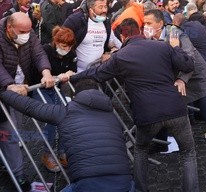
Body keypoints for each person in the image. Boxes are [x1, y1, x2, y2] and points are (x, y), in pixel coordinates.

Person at [69, 18, 198, 192]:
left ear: (122, 36)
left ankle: (140, 189)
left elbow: (96, 73)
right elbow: (189, 64)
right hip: (175, 108)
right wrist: (175, 46)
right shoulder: (162, 46)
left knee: (141, 150)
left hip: (147, 113)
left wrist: (71, 77)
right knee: (188, 153)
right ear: (141, 30)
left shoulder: (120, 56)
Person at [144, 9, 206, 175]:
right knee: (164, 109)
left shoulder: (176, 34)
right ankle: (161, 142)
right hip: (179, 82)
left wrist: (182, 79)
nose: (145, 26)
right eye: (144, 23)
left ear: (160, 24)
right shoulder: (153, 37)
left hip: (198, 80)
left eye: (148, 23)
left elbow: (188, 60)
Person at [0, 79, 133, 192]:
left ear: (74, 97)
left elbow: (31, 107)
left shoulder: (66, 112)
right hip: (125, 182)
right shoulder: (111, 114)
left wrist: (2, 93)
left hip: (88, 184)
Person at [0, 12, 55, 190]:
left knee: (13, 131)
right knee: (11, 135)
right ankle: (18, 176)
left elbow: (38, 53)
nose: (26, 35)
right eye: (22, 31)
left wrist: (46, 72)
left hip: (20, 90)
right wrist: (9, 85)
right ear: (9, 28)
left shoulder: (28, 32)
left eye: (29, 30)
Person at [32, 26, 77, 172]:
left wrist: (69, 72)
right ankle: (47, 153)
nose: (67, 49)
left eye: (70, 46)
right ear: (56, 42)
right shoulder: (45, 50)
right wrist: (56, 76)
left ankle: (63, 151)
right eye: (64, 46)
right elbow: (38, 71)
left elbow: (72, 68)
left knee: (67, 114)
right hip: (39, 88)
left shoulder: (71, 53)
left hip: (55, 89)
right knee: (52, 117)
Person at [63, 0, 121, 72]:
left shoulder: (105, 22)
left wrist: (113, 51)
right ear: (91, 10)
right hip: (78, 71)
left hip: (98, 70)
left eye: (105, 7)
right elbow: (61, 39)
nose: (104, 10)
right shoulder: (75, 20)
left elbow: (111, 39)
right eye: (100, 7)